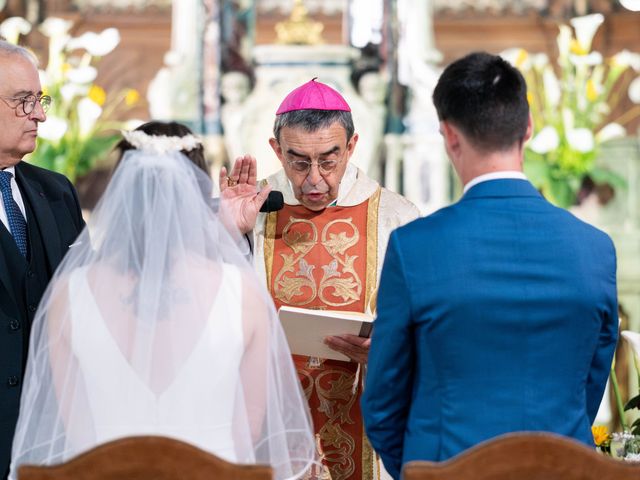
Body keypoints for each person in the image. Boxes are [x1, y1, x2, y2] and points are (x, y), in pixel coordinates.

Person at [361, 52, 619, 479]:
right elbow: (590, 384)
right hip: (563, 471)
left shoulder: (415, 247)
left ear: (449, 136)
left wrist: (421, 471)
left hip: (446, 470)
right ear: (529, 128)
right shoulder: (594, 249)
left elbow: (383, 401)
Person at [9, 122, 316, 480]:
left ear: (121, 189)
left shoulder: (70, 295)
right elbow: (248, 430)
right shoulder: (242, 294)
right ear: (197, 191)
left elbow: (75, 426)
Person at [221, 78, 420, 480]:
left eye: (329, 160)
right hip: (268, 414)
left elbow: (426, 331)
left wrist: (389, 348)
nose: (314, 179)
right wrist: (226, 232)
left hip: (362, 413)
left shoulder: (396, 217)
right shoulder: (250, 208)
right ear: (276, 149)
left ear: (351, 146)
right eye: (298, 161)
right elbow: (204, 313)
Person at [0, 40, 85, 478]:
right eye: (23, 101)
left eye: (39, 99)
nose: (41, 114)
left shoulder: (56, 192)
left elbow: (98, 298)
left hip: (51, 447)